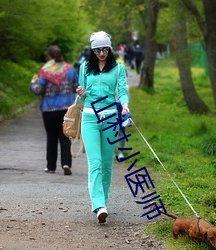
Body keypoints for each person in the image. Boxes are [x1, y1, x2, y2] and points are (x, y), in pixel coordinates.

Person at [76, 31, 129, 223]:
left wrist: (124, 104)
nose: (101, 53)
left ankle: (103, 202)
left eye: (105, 49)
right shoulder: (84, 68)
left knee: (107, 164)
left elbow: (122, 90)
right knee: (95, 163)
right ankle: (98, 205)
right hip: (89, 118)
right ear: (92, 50)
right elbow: (82, 97)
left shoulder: (118, 68)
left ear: (110, 48)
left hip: (111, 119)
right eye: (97, 50)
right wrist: (81, 92)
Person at [30, 45, 79, 175]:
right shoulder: (70, 70)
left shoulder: (45, 71)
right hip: (66, 109)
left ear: (49, 57)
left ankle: (51, 166)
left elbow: (38, 90)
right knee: (65, 137)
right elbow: (77, 87)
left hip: (49, 109)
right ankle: (66, 163)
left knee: (51, 138)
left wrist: (33, 83)